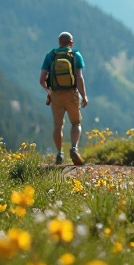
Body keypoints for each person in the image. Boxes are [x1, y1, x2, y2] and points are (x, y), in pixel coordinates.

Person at [40, 31, 88, 165]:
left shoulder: (51, 55)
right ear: (71, 42)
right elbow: (79, 77)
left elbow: (42, 80)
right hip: (71, 94)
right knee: (76, 123)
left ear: (59, 42)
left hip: (56, 95)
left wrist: (49, 92)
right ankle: (74, 148)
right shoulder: (75, 55)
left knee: (58, 126)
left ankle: (59, 153)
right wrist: (84, 96)